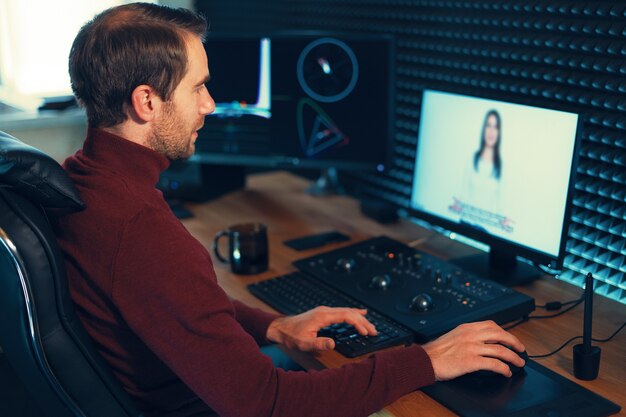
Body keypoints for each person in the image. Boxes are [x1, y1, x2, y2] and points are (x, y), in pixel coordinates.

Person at [52, 3, 525, 417]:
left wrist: (273, 325)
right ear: (147, 101)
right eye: (197, 88)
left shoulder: (80, 181)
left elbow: (180, 308)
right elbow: (266, 403)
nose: (210, 106)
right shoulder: (142, 232)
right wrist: (428, 361)